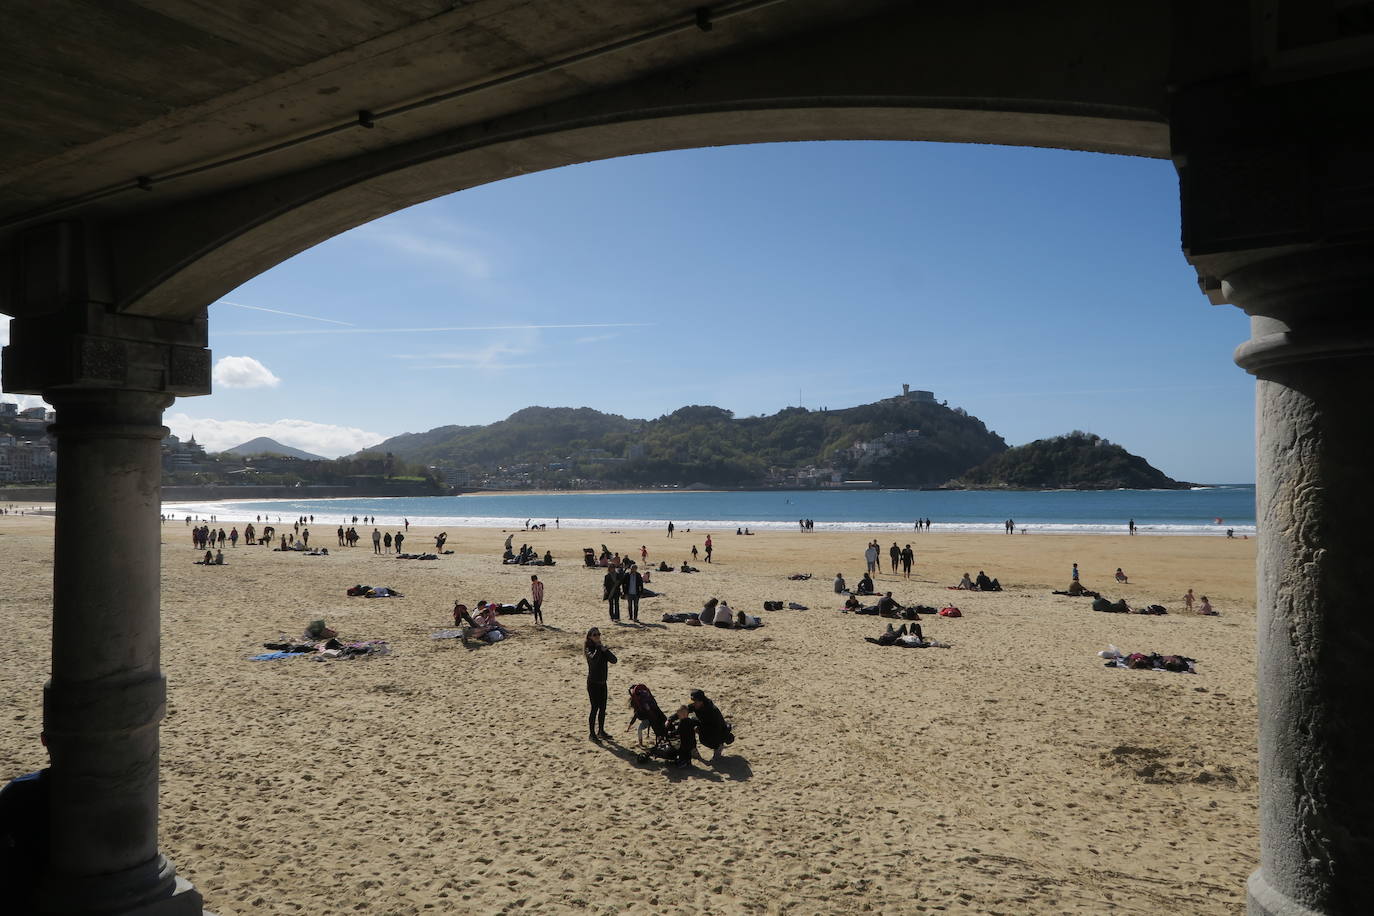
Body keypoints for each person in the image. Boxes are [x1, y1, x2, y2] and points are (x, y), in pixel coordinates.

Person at [585, 628, 617, 740]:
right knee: (594, 708)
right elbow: (593, 660)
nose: (597, 636)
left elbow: (614, 660)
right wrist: (599, 648)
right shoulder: (588, 649)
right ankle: (592, 734)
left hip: (603, 683)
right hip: (593, 684)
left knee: (603, 708)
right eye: (595, 635)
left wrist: (606, 651)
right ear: (589, 637)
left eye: (598, 634)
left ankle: (601, 731)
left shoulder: (601, 649)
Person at [689, 689, 731, 759]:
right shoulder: (696, 704)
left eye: (695, 702)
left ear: (701, 701)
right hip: (705, 724)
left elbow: (715, 728)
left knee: (704, 740)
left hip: (717, 731)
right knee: (689, 722)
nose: (693, 704)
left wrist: (700, 729)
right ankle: (693, 749)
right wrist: (671, 719)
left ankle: (718, 746)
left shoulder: (712, 710)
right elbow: (684, 711)